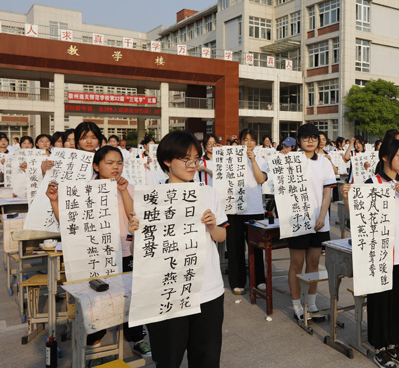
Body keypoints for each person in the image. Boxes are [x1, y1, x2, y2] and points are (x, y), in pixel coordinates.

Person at [130, 130, 228, 367]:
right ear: (167, 160)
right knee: (167, 359)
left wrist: (213, 225)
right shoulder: (151, 199)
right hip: (166, 292)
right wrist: (136, 233)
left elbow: (222, 236)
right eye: (185, 159)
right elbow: (139, 254)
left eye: (195, 159)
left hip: (208, 291)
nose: (192, 165)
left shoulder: (208, 193)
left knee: (206, 359)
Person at [46, 146, 152, 361]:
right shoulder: (84, 189)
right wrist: (54, 201)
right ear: (96, 166)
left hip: (124, 250)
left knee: (131, 298)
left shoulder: (128, 187)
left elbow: (134, 215)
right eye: (109, 162)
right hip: (97, 253)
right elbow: (68, 223)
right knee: (96, 300)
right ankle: (94, 338)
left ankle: (137, 338)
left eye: (119, 162)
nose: (115, 167)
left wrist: (123, 191)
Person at [341, 137, 399, 368]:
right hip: (379, 254)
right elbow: (357, 219)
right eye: (398, 155)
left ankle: (395, 345)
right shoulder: (371, 183)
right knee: (380, 302)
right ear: (385, 157)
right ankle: (380, 347)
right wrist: (347, 198)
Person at [287, 124, 336, 321]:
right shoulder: (289, 160)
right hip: (297, 220)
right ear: (298, 140)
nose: (310, 141)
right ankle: (297, 304)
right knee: (296, 264)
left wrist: (322, 216)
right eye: (306, 137)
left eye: (314, 137)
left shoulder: (323, 162)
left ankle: (312, 303)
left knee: (314, 263)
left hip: (318, 221)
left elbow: (327, 192)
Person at [227, 129, 268, 295]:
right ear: (240, 142)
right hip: (234, 210)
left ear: (256, 143)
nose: (249, 143)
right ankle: (237, 281)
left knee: (257, 247)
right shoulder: (231, 160)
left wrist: (253, 161)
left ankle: (259, 280)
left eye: (252, 140)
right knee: (235, 248)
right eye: (246, 139)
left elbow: (260, 179)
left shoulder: (261, 160)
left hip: (255, 209)